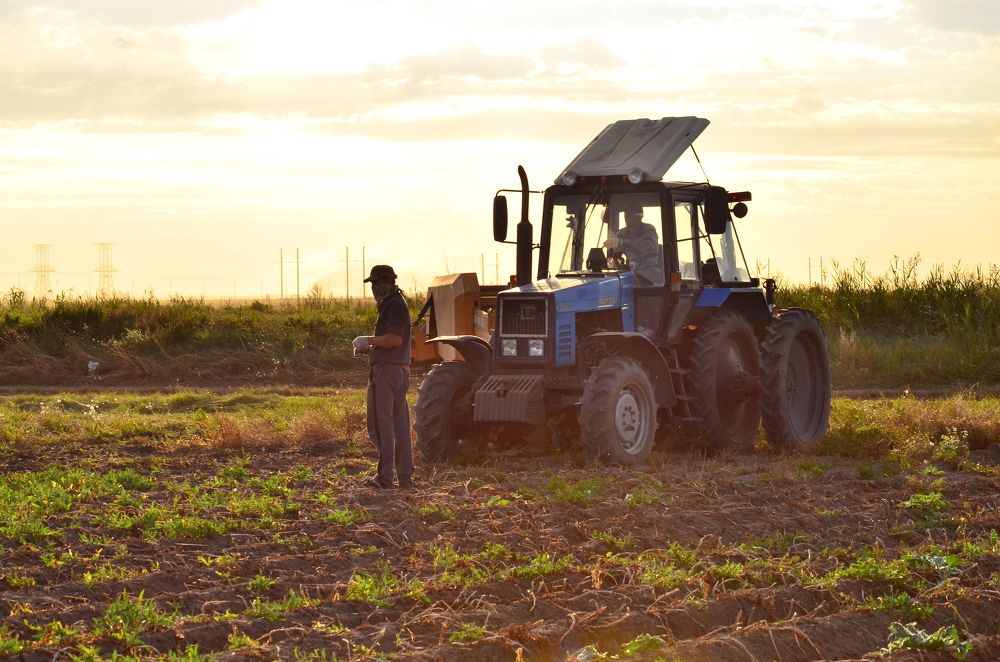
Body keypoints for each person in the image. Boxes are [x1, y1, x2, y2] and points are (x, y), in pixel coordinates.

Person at [353, 264, 413, 489]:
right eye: (373, 284)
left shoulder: (393, 305)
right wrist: (372, 348)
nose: (374, 288)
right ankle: (405, 478)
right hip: (399, 369)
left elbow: (395, 339)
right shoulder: (397, 302)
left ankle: (385, 478)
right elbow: (392, 341)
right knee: (399, 425)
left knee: (380, 425)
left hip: (386, 372)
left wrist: (368, 340)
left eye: (376, 283)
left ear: (387, 282)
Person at [603, 204, 664, 286]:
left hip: (649, 274)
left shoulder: (649, 230)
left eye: (630, 215)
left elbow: (645, 247)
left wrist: (621, 242)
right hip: (630, 273)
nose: (627, 218)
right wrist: (614, 255)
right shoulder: (622, 233)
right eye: (626, 215)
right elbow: (616, 254)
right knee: (608, 282)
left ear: (640, 217)